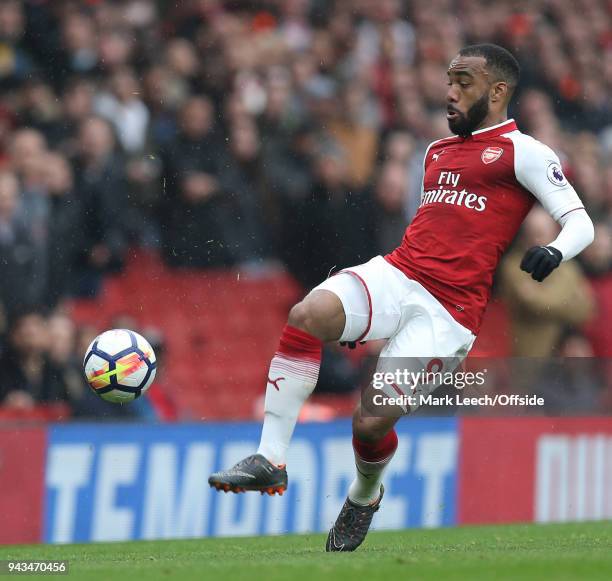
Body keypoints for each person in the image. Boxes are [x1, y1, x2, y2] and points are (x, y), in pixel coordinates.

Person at [208, 44, 595, 551]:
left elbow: (580, 222)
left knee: (369, 423)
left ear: (498, 91)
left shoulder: (525, 152)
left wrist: (553, 250)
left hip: (449, 312)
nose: (450, 92)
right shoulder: (436, 151)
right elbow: (439, 229)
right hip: (399, 272)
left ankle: (364, 495)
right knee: (308, 314)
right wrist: (373, 313)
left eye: (464, 82)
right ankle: (270, 459)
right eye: (449, 80)